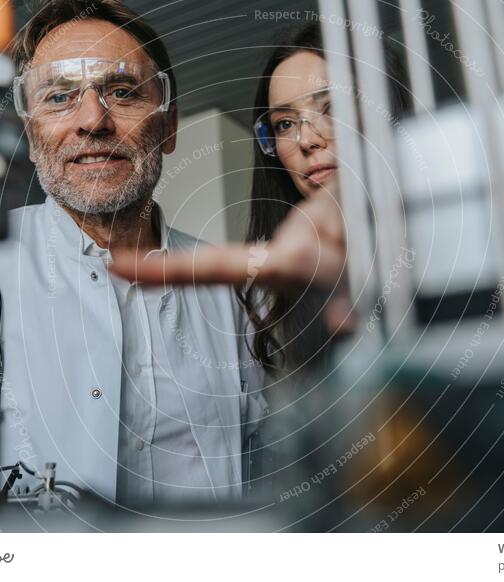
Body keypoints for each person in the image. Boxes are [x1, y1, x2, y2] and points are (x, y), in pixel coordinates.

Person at [0, 0, 267, 507]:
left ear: (170, 125)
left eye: (122, 91)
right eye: (60, 96)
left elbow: (264, 464)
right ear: (30, 136)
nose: (93, 119)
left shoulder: (234, 290)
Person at [112, 23, 409, 375]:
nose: (306, 140)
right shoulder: (269, 301)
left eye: (332, 108)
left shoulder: (471, 227)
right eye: (284, 124)